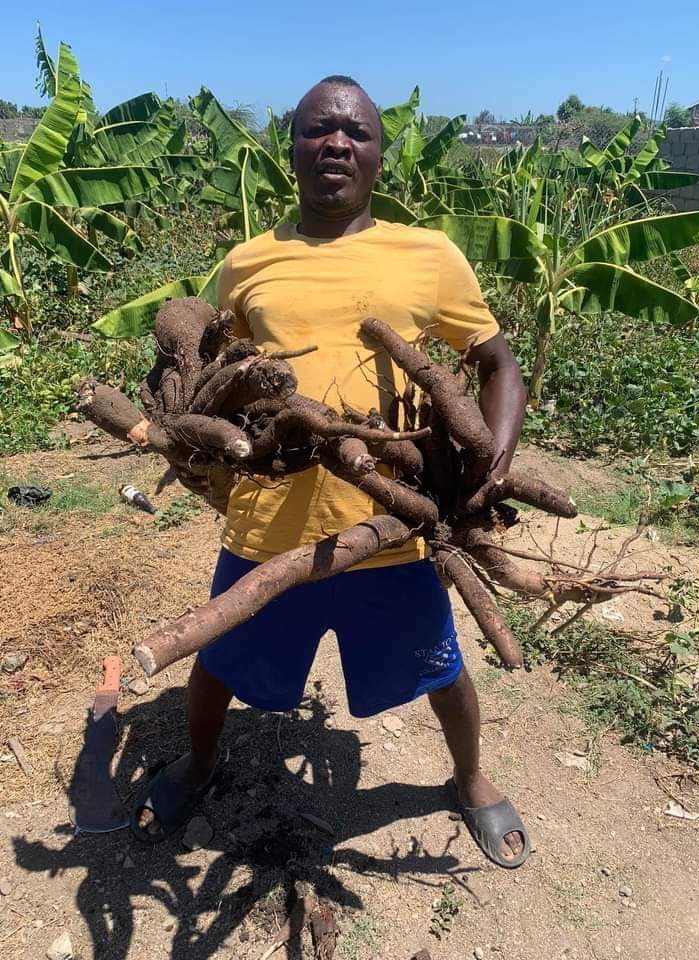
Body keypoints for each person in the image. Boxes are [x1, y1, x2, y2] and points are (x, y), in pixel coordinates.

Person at [133, 76, 530, 868]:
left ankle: (471, 775)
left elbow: (496, 363)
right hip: (267, 521)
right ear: (294, 149)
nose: (337, 143)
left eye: (355, 132)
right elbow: (203, 363)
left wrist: (490, 463)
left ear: (381, 155)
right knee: (216, 661)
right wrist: (187, 433)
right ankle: (202, 762)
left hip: (390, 524)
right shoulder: (248, 262)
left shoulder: (429, 255)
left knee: (442, 669)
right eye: (318, 130)